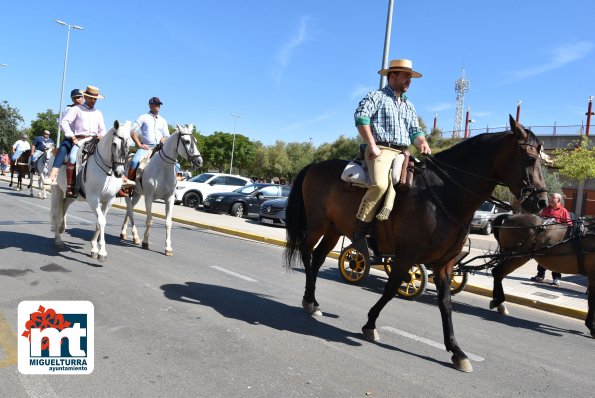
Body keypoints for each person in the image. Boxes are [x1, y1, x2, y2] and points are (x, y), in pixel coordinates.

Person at [351, 58, 431, 257]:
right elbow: (361, 118)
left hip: (403, 152)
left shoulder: (409, 106)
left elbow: (415, 131)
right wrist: (371, 146)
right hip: (380, 150)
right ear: (392, 76)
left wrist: (422, 142)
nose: (409, 81)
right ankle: (359, 233)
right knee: (380, 185)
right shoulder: (376, 96)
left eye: (410, 77)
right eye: (405, 76)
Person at [48, 85, 112, 198]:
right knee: (72, 157)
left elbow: (102, 129)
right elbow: (64, 122)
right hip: (80, 140)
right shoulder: (76, 109)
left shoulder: (98, 113)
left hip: (94, 140)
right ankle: (69, 186)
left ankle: (116, 183)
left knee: (111, 154)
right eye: (91, 98)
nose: (93, 101)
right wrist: (72, 137)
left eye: (95, 98)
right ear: (86, 97)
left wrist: (101, 135)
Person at [121, 96, 169, 197]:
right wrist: (139, 144)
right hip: (147, 147)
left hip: (160, 147)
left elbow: (167, 135)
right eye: (156, 104)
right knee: (134, 161)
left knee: (175, 164)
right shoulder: (143, 117)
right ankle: (129, 187)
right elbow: (132, 130)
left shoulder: (163, 120)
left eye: (159, 104)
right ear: (150, 105)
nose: (158, 106)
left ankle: (171, 187)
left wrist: (164, 139)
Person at [531, 192, 572, 286]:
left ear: (558, 200)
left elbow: (569, 225)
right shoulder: (545, 210)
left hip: (556, 241)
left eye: (553, 198)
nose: (550, 199)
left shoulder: (563, 211)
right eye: (550, 197)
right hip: (544, 239)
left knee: (555, 259)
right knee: (541, 256)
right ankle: (540, 275)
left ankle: (556, 278)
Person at [45, 88, 84, 185]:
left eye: (79, 97)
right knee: (63, 149)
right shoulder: (68, 109)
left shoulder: (87, 110)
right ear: (71, 99)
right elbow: (62, 124)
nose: (77, 100)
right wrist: (71, 135)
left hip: (86, 137)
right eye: (74, 98)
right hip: (71, 137)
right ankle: (52, 176)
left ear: (83, 97)